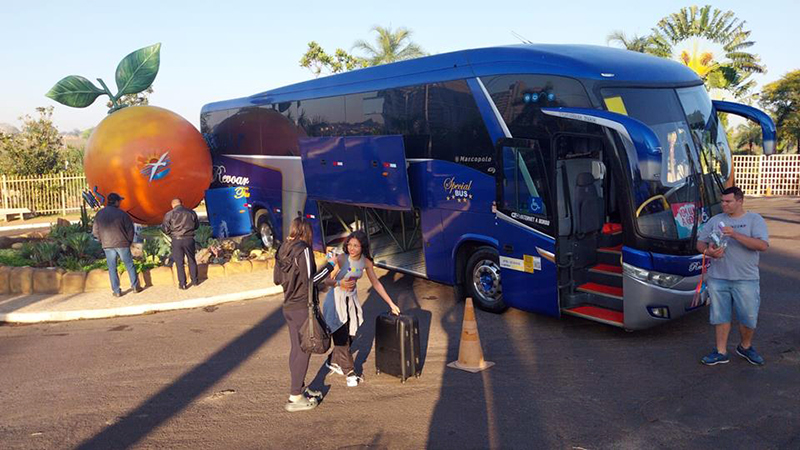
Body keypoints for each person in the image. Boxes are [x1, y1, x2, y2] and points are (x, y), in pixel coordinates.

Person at [274, 217, 355, 412]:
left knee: (296, 348)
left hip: (288, 306)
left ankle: (299, 389)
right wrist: (330, 265)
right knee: (304, 350)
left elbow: (277, 279)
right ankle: (295, 396)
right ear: (306, 232)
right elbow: (312, 280)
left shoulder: (283, 248)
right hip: (303, 306)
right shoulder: (303, 249)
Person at [697, 186, 769, 366]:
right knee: (720, 316)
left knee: (748, 317)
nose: (724, 204)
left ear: (740, 201)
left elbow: (762, 245)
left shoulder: (754, 219)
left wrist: (735, 234)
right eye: (722, 201)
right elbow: (700, 243)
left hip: (746, 278)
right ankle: (721, 351)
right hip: (718, 277)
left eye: (728, 201)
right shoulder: (715, 220)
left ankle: (745, 347)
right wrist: (709, 252)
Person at [323, 230, 401, 387]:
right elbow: (326, 281)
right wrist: (340, 283)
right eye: (350, 244)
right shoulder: (341, 259)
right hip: (336, 299)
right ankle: (350, 372)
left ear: (362, 247)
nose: (352, 248)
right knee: (341, 335)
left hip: (350, 300)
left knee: (352, 333)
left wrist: (391, 303)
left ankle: (333, 361)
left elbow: (376, 284)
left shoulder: (366, 262)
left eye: (356, 246)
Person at [92, 192, 141, 297]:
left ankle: (116, 290)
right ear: (116, 202)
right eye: (119, 201)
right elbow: (130, 229)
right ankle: (135, 286)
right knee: (129, 265)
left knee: (112, 268)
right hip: (122, 243)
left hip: (107, 244)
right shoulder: (122, 214)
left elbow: (95, 231)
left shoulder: (100, 214)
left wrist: (102, 240)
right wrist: (129, 241)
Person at [162, 198, 200, 289]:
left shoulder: (169, 214)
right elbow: (197, 226)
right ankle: (195, 281)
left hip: (176, 239)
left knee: (179, 262)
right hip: (189, 238)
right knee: (191, 259)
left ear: (172, 205)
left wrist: (172, 233)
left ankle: (182, 284)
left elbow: (165, 229)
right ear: (182, 203)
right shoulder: (191, 212)